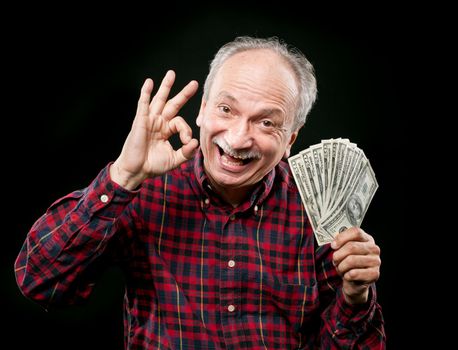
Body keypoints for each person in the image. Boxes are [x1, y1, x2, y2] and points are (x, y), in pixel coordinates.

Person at [14, 36, 385, 349]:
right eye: (226, 109)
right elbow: (39, 280)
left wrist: (355, 298)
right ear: (203, 110)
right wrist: (122, 176)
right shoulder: (143, 191)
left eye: (267, 122)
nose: (239, 138)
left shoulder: (318, 209)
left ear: (290, 139)